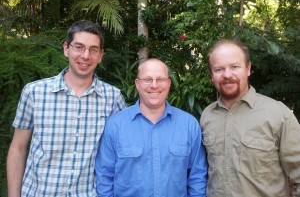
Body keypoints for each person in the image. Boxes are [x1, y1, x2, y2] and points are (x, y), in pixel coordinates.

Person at [6, 20, 126, 197]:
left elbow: (121, 151)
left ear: (101, 56)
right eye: (79, 47)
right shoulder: (34, 92)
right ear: (66, 49)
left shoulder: (113, 98)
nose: (86, 56)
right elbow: (18, 148)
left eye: (93, 49)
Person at [200, 39, 300, 197]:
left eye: (234, 66)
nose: (227, 75)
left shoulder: (278, 114)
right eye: (219, 69)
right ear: (212, 75)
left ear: (248, 68)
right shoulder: (207, 116)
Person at [95, 58, 208, 197]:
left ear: (168, 83)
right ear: (137, 83)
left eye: (160, 79)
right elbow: (104, 176)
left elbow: (197, 177)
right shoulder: (115, 125)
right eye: (147, 79)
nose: (154, 85)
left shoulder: (189, 125)